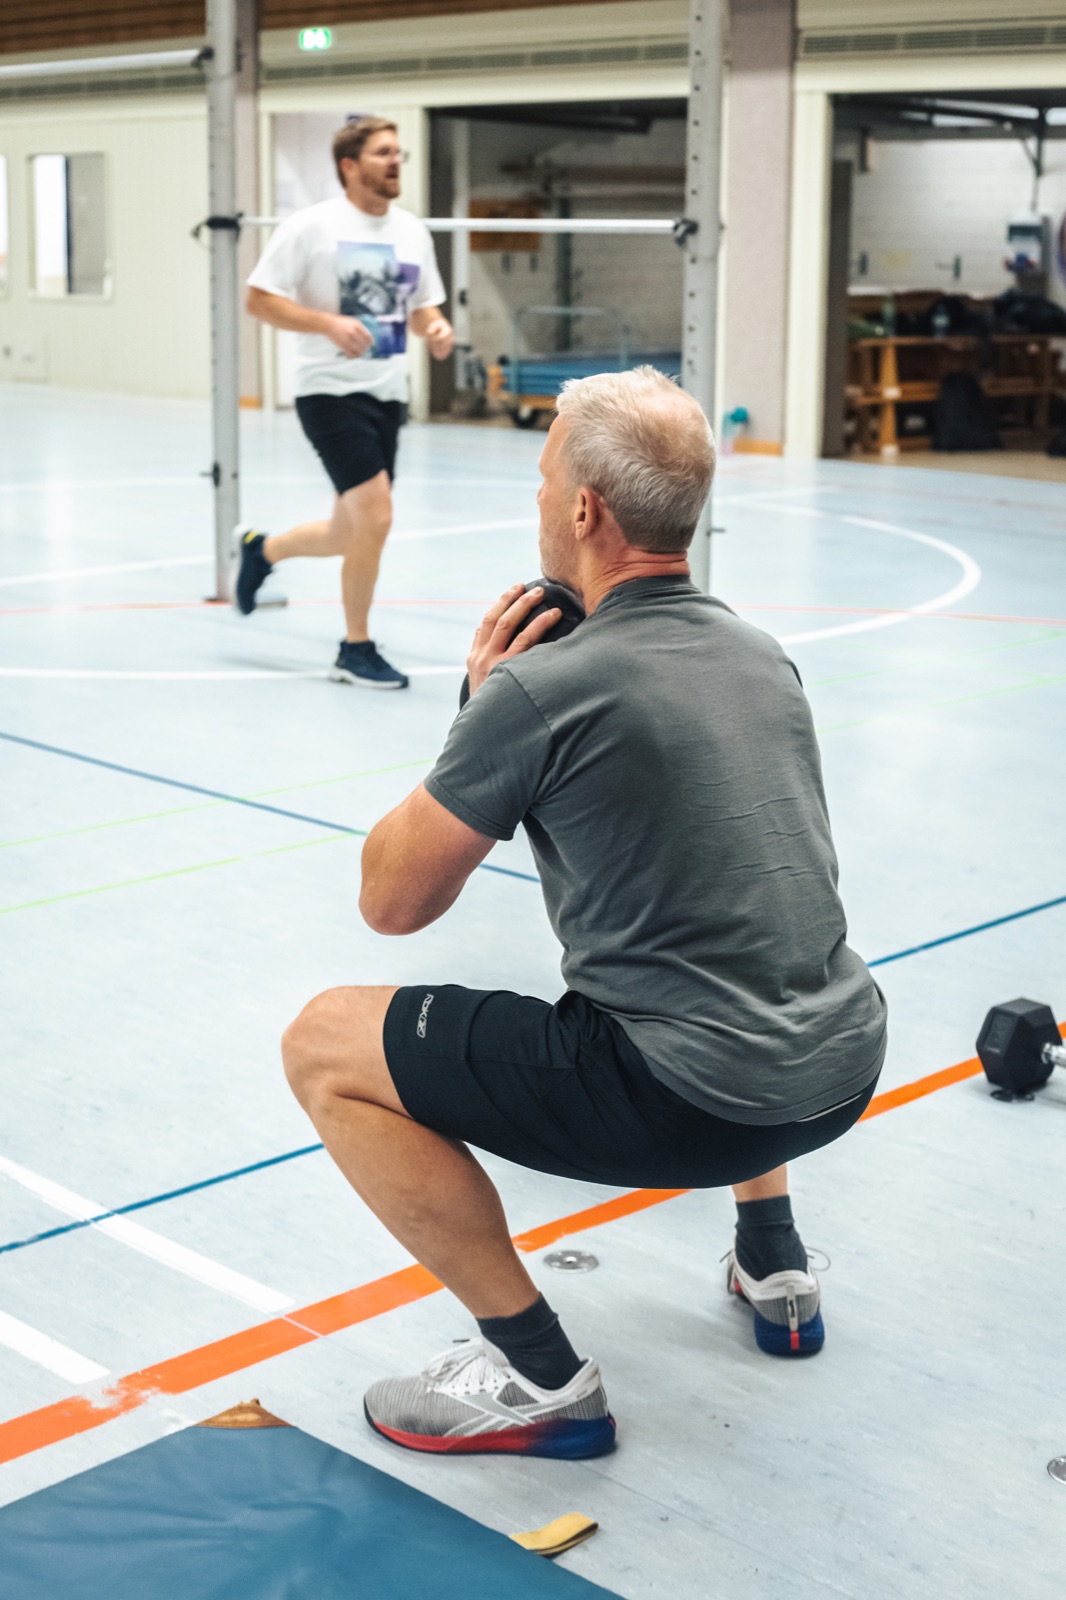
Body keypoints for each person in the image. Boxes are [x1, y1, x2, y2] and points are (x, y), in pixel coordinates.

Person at [280, 367, 888, 1459]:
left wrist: (478, 715)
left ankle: (537, 1372)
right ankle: (773, 1255)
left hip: (688, 1097)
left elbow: (391, 901)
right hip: (840, 1067)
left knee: (323, 1043)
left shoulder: (538, 688)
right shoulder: (761, 653)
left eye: (545, 470)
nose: (539, 493)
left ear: (582, 511)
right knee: (736, 932)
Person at [239, 116, 454, 689]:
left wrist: (434, 329)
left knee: (348, 532)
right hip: (327, 392)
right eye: (383, 153)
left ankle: (263, 551)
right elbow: (259, 301)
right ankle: (353, 649)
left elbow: (420, 306)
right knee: (377, 518)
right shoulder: (310, 228)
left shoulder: (412, 232)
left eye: (398, 154)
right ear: (349, 166)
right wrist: (328, 323)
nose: (395, 162)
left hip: (387, 394)